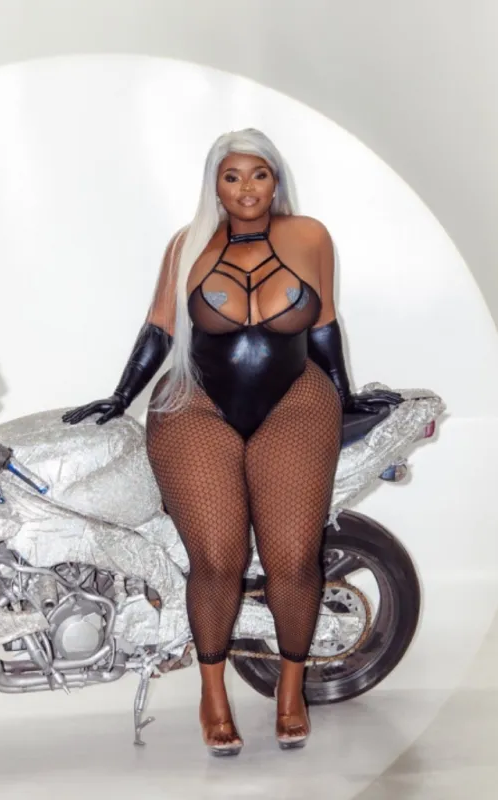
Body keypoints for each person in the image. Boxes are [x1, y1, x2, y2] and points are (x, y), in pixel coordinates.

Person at [62, 129, 400, 756]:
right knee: (218, 560)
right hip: (197, 401)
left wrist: (346, 395)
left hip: (295, 398)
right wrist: (120, 395)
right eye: (232, 176)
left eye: (259, 174)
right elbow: (160, 328)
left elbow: (324, 326)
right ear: (214, 185)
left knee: (292, 560)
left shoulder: (310, 237)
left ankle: (291, 690)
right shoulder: (187, 244)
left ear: (276, 179)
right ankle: (213, 695)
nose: (247, 188)